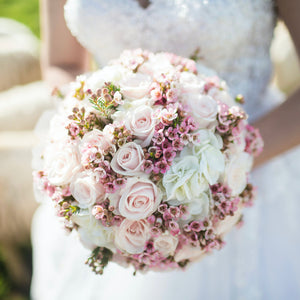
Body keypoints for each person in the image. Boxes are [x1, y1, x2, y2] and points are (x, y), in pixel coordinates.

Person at [31, 0, 300, 299]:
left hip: (253, 172)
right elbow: (62, 64)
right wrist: (91, 131)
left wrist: (227, 158)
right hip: (107, 187)